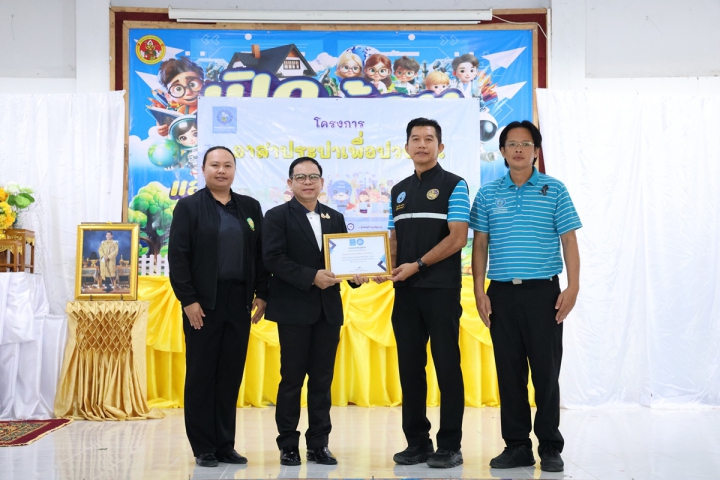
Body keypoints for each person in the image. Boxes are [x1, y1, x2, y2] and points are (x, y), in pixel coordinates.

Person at [470, 121, 582, 473]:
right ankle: (517, 445)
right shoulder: (487, 194)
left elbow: (569, 240)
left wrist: (573, 287)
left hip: (543, 293)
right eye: (512, 144)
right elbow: (480, 245)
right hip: (501, 294)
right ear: (502, 151)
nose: (519, 149)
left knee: (546, 373)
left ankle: (550, 446)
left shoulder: (555, 189)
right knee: (509, 373)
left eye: (526, 143)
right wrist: (478, 290)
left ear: (536, 151)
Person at [262, 156, 368, 467]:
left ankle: (319, 444)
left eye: (313, 177)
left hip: (327, 312)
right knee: (291, 380)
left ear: (322, 182)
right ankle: (288, 444)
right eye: (300, 177)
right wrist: (311, 277)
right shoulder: (276, 216)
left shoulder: (334, 217)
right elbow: (273, 258)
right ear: (290, 183)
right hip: (293, 310)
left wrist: (357, 275)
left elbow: (345, 260)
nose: (307, 182)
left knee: (322, 381)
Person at [168, 146, 269, 468]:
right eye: (215, 165)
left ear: (235, 170)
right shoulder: (189, 207)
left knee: (229, 375)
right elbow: (178, 257)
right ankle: (203, 447)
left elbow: (260, 255)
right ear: (203, 169)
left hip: (239, 302)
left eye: (227, 165)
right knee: (201, 375)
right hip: (203, 304)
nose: (221, 170)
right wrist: (188, 300)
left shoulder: (249, 207)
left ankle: (225, 445)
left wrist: (262, 293)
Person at [379, 117, 469, 469]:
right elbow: (393, 240)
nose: (421, 144)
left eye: (428, 139)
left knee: (447, 366)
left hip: (440, 290)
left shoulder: (454, 185)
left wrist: (417, 265)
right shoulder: (398, 191)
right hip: (405, 292)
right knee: (410, 368)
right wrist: (380, 268)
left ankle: (450, 445)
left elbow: (457, 238)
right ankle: (417, 442)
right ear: (406, 147)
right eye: (415, 139)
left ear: (440, 147)